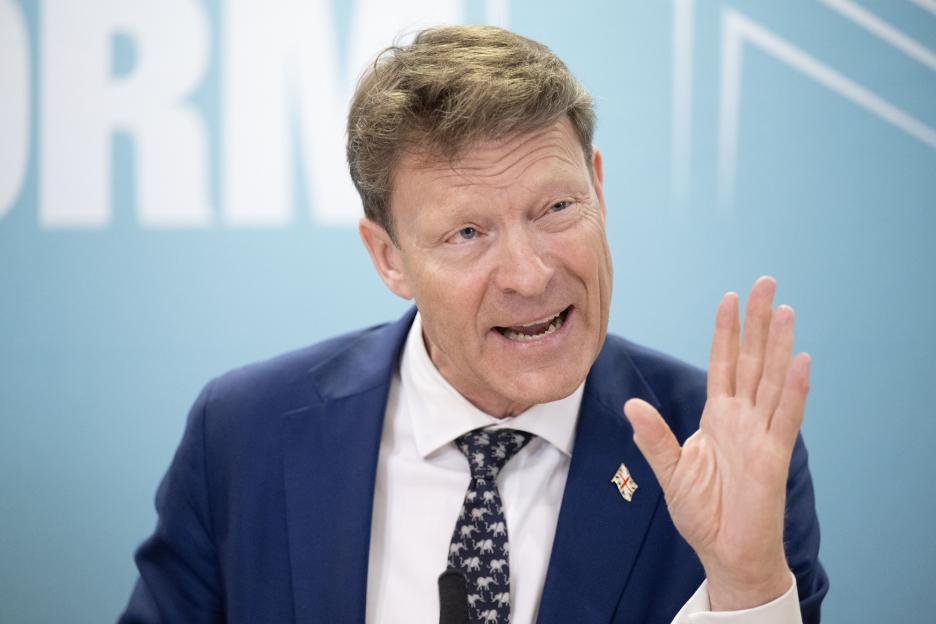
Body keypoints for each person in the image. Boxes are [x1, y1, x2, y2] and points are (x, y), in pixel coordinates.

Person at [119, 25, 827, 624]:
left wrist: (747, 589)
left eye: (555, 209)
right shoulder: (246, 434)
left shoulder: (724, 448)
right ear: (389, 257)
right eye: (466, 233)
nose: (529, 273)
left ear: (599, 187)